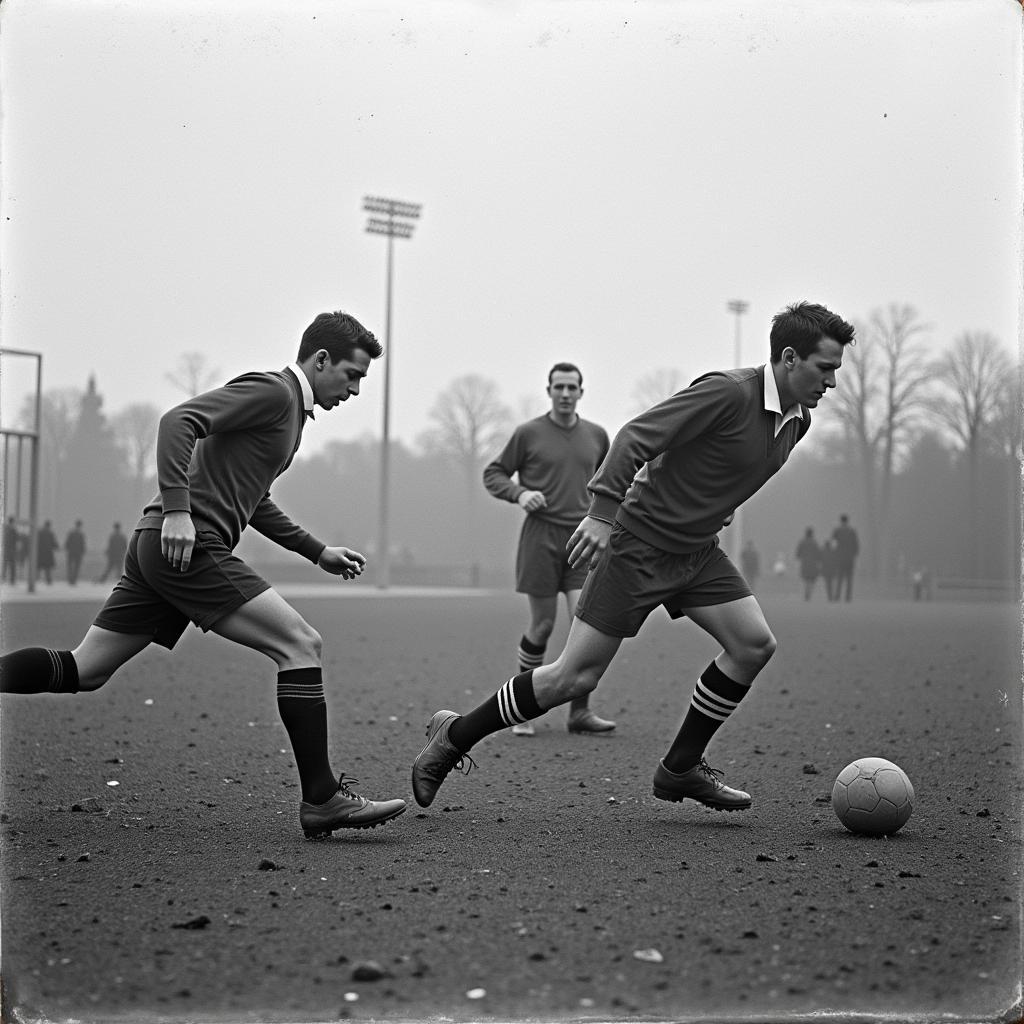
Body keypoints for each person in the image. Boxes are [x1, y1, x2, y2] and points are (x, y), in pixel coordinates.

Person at [412, 301, 855, 814]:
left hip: (696, 554)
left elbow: (728, 470)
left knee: (753, 645)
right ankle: (453, 737)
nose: (832, 383)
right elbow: (636, 438)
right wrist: (602, 515)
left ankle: (680, 768)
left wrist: (718, 506)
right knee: (571, 679)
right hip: (638, 545)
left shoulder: (797, 421)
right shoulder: (727, 392)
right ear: (790, 359)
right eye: (826, 369)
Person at [0, 311, 407, 839]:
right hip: (187, 545)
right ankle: (323, 799)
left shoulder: (291, 419)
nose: (354, 389)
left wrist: (317, 551)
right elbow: (178, 421)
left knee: (86, 669)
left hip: (161, 549)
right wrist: (177, 511)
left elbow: (253, 499)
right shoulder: (275, 392)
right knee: (301, 645)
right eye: (352, 375)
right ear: (321, 359)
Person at [482, 362, 615, 737]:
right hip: (539, 538)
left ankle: (580, 712)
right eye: (559, 387)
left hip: (583, 540)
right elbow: (493, 473)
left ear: (581, 392)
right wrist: (520, 493)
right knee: (542, 626)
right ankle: (523, 711)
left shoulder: (597, 436)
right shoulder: (528, 434)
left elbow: (614, 480)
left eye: (572, 387)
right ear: (549, 390)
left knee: (585, 625)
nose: (566, 393)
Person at [831, 513, 860, 602]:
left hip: (840, 557)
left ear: (841, 520)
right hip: (849, 557)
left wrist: (834, 553)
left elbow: (833, 543)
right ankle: (848, 596)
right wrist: (855, 553)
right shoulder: (852, 531)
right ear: (847, 521)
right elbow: (856, 544)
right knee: (849, 578)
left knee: (839, 577)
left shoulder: (837, 531)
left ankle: (837, 596)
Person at [794, 526, 822, 602]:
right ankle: (808, 594)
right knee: (812, 580)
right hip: (813, 565)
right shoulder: (814, 543)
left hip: (805, 564)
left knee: (806, 580)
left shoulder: (802, 542)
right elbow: (818, 554)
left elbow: (798, 554)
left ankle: (807, 593)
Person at [36, 519, 60, 585]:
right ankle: (48, 580)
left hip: (40, 553)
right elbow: (54, 543)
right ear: (49, 526)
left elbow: (36, 542)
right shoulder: (50, 533)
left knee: (38, 568)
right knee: (48, 568)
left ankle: (35, 579)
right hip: (48, 554)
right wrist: (57, 547)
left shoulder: (39, 532)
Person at [65, 520, 86, 585]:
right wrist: (83, 551)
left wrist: (68, 549)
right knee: (76, 567)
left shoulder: (71, 533)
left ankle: (70, 580)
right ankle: (73, 580)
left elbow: (67, 543)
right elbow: (83, 545)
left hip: (71, 552)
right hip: (78, 553)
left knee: (70, 567)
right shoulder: (81, 534)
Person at [820, 537, 838, 602]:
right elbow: (836, 560)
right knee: (831, 583)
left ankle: (829, 595)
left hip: (825, 569)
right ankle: (831, 595)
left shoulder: (822, 551)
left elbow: (820, 559)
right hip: (832, 569)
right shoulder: (833, 551)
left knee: (828, 583)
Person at [3, 516, 19, 586]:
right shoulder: (13, 529)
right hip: (12, 549)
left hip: (6, 549)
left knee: (5, 564)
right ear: (12, 522)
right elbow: (17, 539)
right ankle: (12, 580)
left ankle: (3, 578)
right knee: (12, 565)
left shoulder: (5, 529)